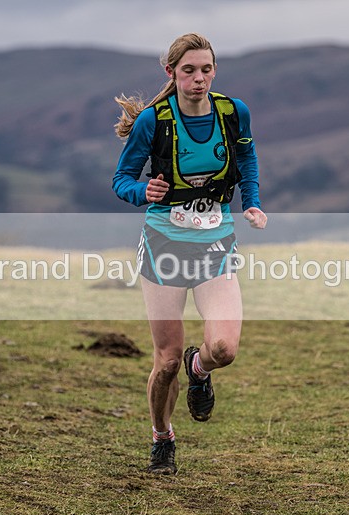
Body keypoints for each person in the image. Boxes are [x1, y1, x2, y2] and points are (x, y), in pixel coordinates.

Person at [112, 33, 267, 475]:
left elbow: (247, 160)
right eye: (188, 71)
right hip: (165, 243)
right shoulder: (152, 121)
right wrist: (144, 190)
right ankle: (162, 436)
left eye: (206, 70)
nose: (198, 79)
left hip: (215, 241)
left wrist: (250, 201)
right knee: (164, 362)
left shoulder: (234, 113)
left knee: (224, 348)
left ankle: (198, 369)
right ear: (172, 73)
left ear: (214, 70)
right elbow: (121, 180)